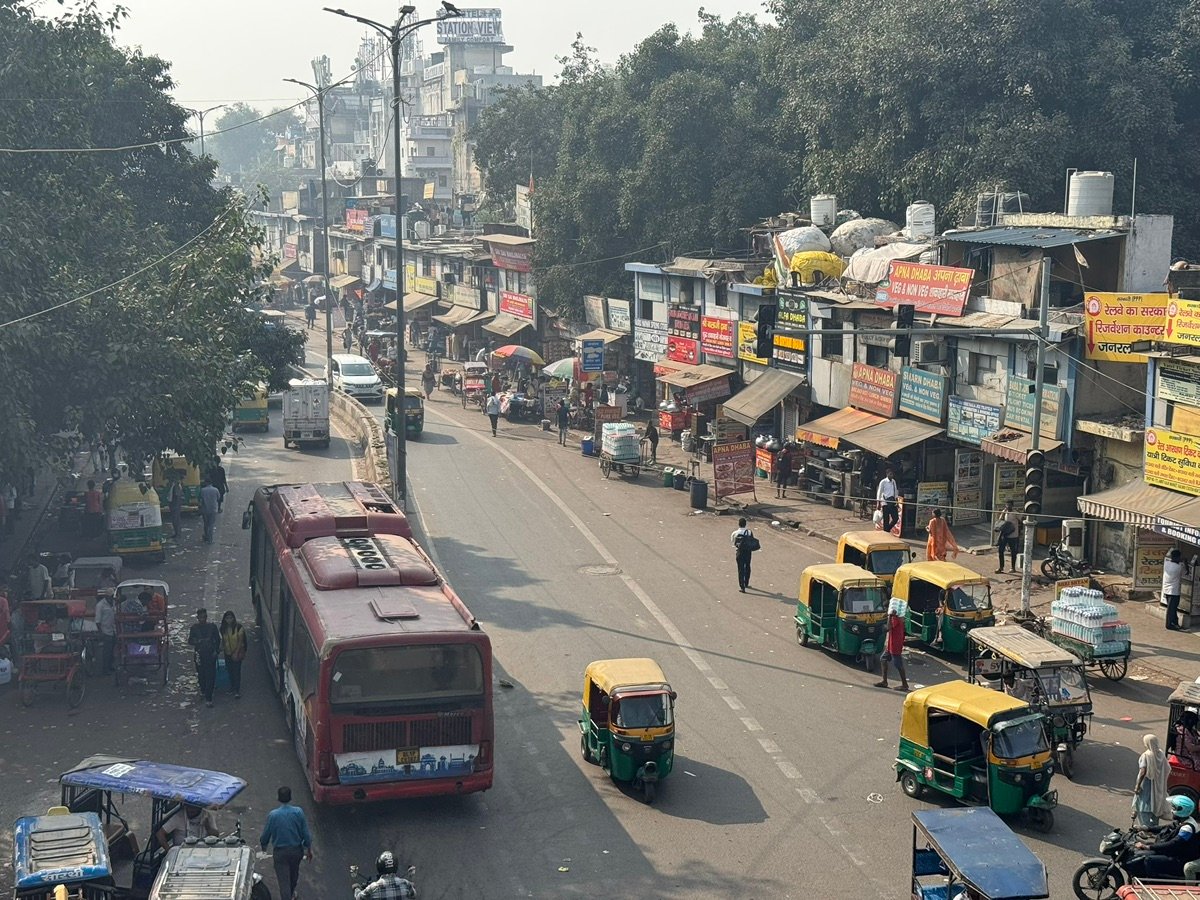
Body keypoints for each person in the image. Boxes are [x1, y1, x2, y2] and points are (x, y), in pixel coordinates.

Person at [260, 786, 313, 900]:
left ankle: (287, 896)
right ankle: (291, 894)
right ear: (290, 797)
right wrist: (308, 849)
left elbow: (265, 836)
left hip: (280, 853)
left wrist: (264, 848)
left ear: (278, 798)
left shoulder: (273, 815)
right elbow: (306, 834)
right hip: (296, 851)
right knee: (293, 876)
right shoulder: (298, 812)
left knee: (284, 882)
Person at [1129, 794, 1200, 880]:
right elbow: (1164, 828)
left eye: (1174, 808)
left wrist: (1148, 846)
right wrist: (1145, 828)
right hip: (1173, 852)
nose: (1171, 810)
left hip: (1179, 858)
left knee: (1148, 860)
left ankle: (1152, 883)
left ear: (1181, 810)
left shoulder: (1187, 828)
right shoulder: (1182, 820)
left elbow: (1173, 843)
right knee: (1140, 853)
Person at [1133, 734, 1170, 829]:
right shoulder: (1161, 754)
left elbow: (1143, 771)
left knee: (1143, 804)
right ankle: (1154, 828)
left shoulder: (1146, 756)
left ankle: (1145, 828)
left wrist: (1137, 786)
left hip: (1146, 783)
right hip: (1158, 784)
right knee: (1155, 804)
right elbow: (1167, 768)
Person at [188, 608, 221, 707]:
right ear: (198, 618)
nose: (202, 619)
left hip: (210, 654)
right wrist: (197, 641)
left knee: (210, 676)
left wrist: (216, 651)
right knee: (201, 675)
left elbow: (218, 640)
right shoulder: (194, 628)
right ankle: (203, 690)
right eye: (201, 617)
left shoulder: (212, 627)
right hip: (199, 654)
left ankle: (208, 697)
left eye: (204, 617)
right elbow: (190, 640)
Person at [876, 598, 910, 691]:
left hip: (895, 645)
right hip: (891, 644)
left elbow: (888, 627)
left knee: (898, 664)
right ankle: (884, 681)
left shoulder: (895, 618)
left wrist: (890, 616)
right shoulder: (898, 617)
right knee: (883, 659)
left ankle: (905, 684)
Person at [220, 610, 247, 699]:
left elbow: (240, 641)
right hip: (227, 653)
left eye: (230, 618)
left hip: (236, 652)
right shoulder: (223, 628)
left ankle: (237, 690)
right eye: (227, 618)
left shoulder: (239, 628)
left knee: (236, 671)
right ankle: (232, 687)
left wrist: (236, 652)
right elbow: (223, 640)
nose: (229, 620)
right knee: (230, 670)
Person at [1163, 548, 1187, 631]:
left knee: (1172, 608)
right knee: (1172, 609)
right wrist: (1185, 562)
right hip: (1174, 591)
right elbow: (1186, 572)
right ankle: (1169, 624)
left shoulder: (1166, 564)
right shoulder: (1178, 567)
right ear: (1177, 557)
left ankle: (1175, 622)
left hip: (1166, 589)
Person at [995, 499, 1020, 574]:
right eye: (1007, 505)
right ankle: (1001, 567)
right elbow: (1000, 521)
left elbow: (1021, 520)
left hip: (1013, 536)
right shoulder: (1005, 512)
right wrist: (1003, 512)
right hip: (1005, 534)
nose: (1008, 506)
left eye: (1009, 505)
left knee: (1013, 552)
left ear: (1012, 505)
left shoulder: (1015, 513)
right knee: (1000, 551)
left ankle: (1013, 568)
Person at [94, 590, 116, 675]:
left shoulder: (114, 603)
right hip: (105, 631)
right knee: (107, 651)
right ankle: (105, 669)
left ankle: (110, 666)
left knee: (112, 651)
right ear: (107, 596)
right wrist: (100, 632)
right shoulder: (100, 605)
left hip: (113, 630)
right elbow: (98, 621)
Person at [731, 517, 754, 593]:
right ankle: (746, 583)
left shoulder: (735, 533)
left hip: (740, 553)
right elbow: (752, 541)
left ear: (739, 524)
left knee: (741, 569)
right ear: (745, 524)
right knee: (747, 566)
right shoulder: (749, 532)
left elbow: (733, 541)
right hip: (748, 552)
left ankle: (742, 587)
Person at [877, 468, 900, 534]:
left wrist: (897, 501)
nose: (891, 475)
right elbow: (879, 492)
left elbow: (895, 491)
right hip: (885, 502)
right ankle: (886, 531)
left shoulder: (893, 481)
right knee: (886, 519)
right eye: (890, 474)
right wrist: (878, 503)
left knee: (895, 518)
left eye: (892, 474)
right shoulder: (883, 482)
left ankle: (887, 529)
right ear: (887, 474)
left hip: (892, 502)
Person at [199, 479, 221, 544]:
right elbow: (218, 498)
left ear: (206, 483)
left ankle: (206, 536)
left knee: (206, 524)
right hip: (213, 509)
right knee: (211, 524)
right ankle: (210, 539)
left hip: (205, 509)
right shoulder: (216, 490)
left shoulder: (202, 490)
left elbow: (200, 499)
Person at [168, 476, 184, 541]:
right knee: (175, 520)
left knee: (176, 520)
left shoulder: (176, 486)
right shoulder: (174, 485)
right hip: (174, 505)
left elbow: (177, 496)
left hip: (175, 505)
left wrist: (175, 506)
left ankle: (178, 534)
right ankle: (176, 533)